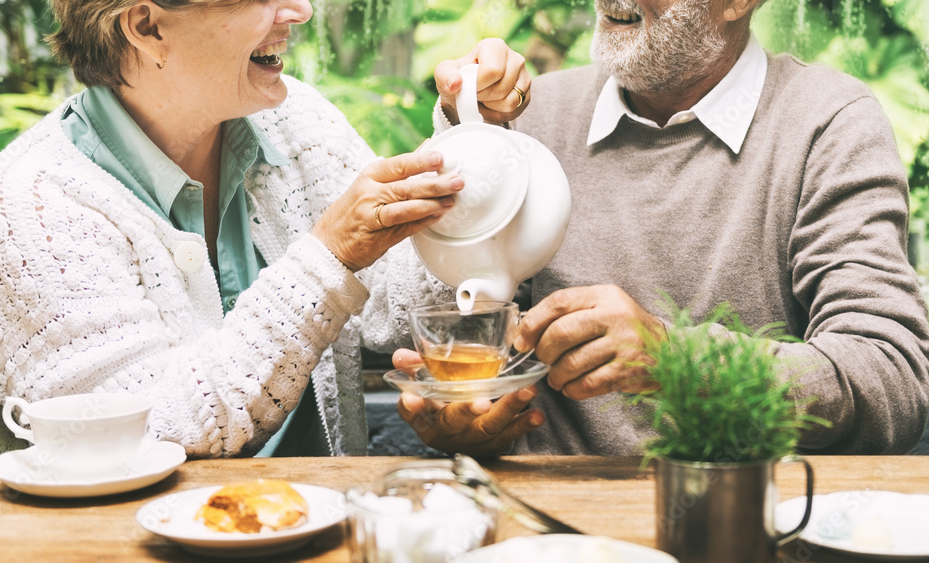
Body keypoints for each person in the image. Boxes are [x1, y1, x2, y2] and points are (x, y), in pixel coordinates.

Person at [0, 0, 527, 460]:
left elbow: (399, 309)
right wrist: (328, 256)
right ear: (146, 26)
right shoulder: (28, 201)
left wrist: (471, 144)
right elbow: (154, 432)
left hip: (321, 527)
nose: (300, 10)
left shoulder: (297, 120)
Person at [396, 0, 929, 456]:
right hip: (549, 530)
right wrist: (477, 426)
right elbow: (482, 356)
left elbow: (891, 381)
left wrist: (679, 362)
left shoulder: (828, 122)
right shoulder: (529, 120)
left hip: (736, 523)